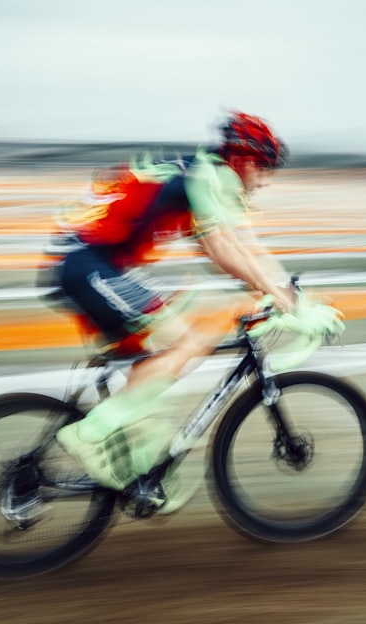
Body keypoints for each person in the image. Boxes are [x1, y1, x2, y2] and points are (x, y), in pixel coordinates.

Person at [45, 111, 295, 513]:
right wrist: (278, 295)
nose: (263, 182)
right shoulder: (210, 179)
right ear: (246, 161)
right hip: (88, 265)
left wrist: (274, 287)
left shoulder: (197, 176)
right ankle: (91, 432)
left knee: (158, 365)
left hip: (86, 263)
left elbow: (229, 248)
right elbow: (224, 250)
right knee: (190, 337)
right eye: (265, 171)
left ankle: (136, 473)